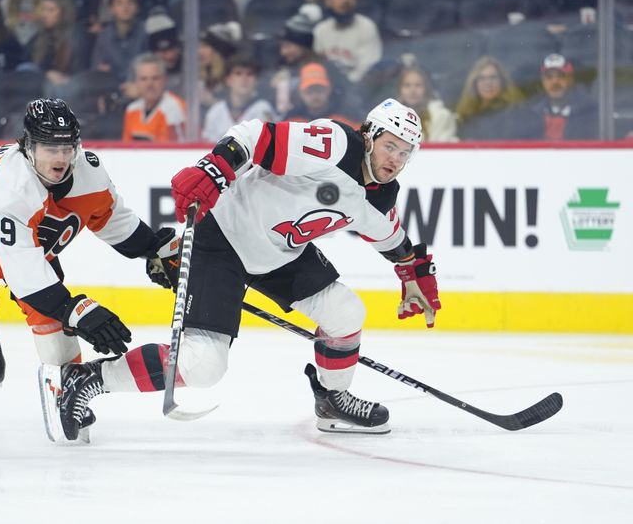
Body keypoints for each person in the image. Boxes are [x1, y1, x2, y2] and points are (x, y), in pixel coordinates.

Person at [44, 98, 442, 441]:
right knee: (203, 366)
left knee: (346, 312)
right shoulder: (335, 145)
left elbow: (388, 235)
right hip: (223, 238)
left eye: (406, 152)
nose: (396, 159)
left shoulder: (382, 193)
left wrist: (411, 269)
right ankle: (90, 379)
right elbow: (257, 136)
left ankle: (332, 399)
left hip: (282, 254)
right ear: (370, 135)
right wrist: (215, 168)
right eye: (390, 145)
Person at [0, 97, 181, 441]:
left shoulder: (88, 170)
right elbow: (25, 275)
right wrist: (77, 310)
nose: (60, 158)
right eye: (49, 147)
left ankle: (68, 394)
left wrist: (153, 249)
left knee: (55, 319)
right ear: (28, 147)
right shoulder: (12, 187)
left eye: (67, 147)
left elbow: (113, 221)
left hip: (26, 245)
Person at [518, 53, 599, 140]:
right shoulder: (529, 114)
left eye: (561, 76)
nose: (555, 82)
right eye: (548, 77)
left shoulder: (589, 112)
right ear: (542, 81)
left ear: (571, 79)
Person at [202, 52, 276, 142]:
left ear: (256, 80)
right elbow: (206, 145)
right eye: (238, 73)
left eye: (249, 74)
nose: (244, 79)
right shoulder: (215, 112)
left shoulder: (263, 109)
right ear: (228, 79)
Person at [313, 0, 382, 84]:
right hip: (325, 87)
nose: (345, 0)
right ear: (328, 0)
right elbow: (317, 64)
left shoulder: (366, 27)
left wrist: (346, 84)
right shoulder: (321, 30)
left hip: (358, 86)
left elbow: (368, 68)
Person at [455, 56, 523, 141]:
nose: (488, 83)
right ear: (475, 83)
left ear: (502, 81)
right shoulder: (465, 116)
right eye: (482, 78)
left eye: (493, 77)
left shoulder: (516, 114)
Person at [121, 52, 185, 142]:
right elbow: (126, 148)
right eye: (144, 79)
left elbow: (170, 151)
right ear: (136, 82)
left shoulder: (174, 107)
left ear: (165, 80)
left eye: (155, 78)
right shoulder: (131, 110)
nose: (149, 84)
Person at [284, 61, 360, 129]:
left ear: (329, 90)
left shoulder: (347, 117)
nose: (315, 96)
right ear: (301, 93)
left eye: (319, 90)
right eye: (309, 92)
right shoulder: (291, 120)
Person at [396, 64, 458, 142]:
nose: (412, 90)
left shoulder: (442, 116)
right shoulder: (390, 117)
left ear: (427, 89)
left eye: (418, 85)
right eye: (407, 85)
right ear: (400, 89)